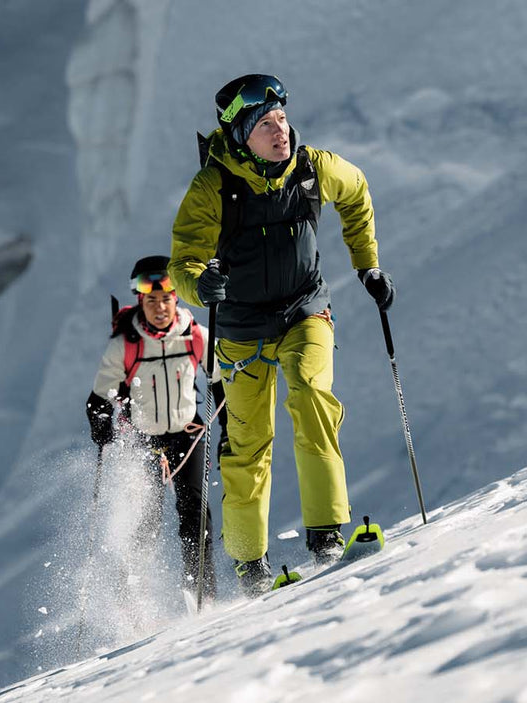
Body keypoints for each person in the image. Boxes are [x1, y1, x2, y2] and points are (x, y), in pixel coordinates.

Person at [168, 74, 395, 595]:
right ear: (240, 136)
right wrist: (201, 285)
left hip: (304, 311)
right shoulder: (212, 188)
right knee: (248, 445)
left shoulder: (313, 168)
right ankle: (250, 565)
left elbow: (356, 192)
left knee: (313, 397)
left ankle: (326, 537)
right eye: (266, 125)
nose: (281, 132)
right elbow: (184, 263)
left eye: (283, 119)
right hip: (242, 330)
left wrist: (368, 267)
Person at [86, 255, 220, 603]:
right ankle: (133, 597)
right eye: (152, 300)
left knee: (195, 514)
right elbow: (98, 399)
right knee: (146, 520)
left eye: (165, 299)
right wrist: (101, 424)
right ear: (140, 301)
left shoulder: (195, 336)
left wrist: (230, 428)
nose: (160, 308)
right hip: (143, 439)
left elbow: (221, 381)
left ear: (176, 299)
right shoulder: (125, 345)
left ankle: (202, 594)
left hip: (187, 433)